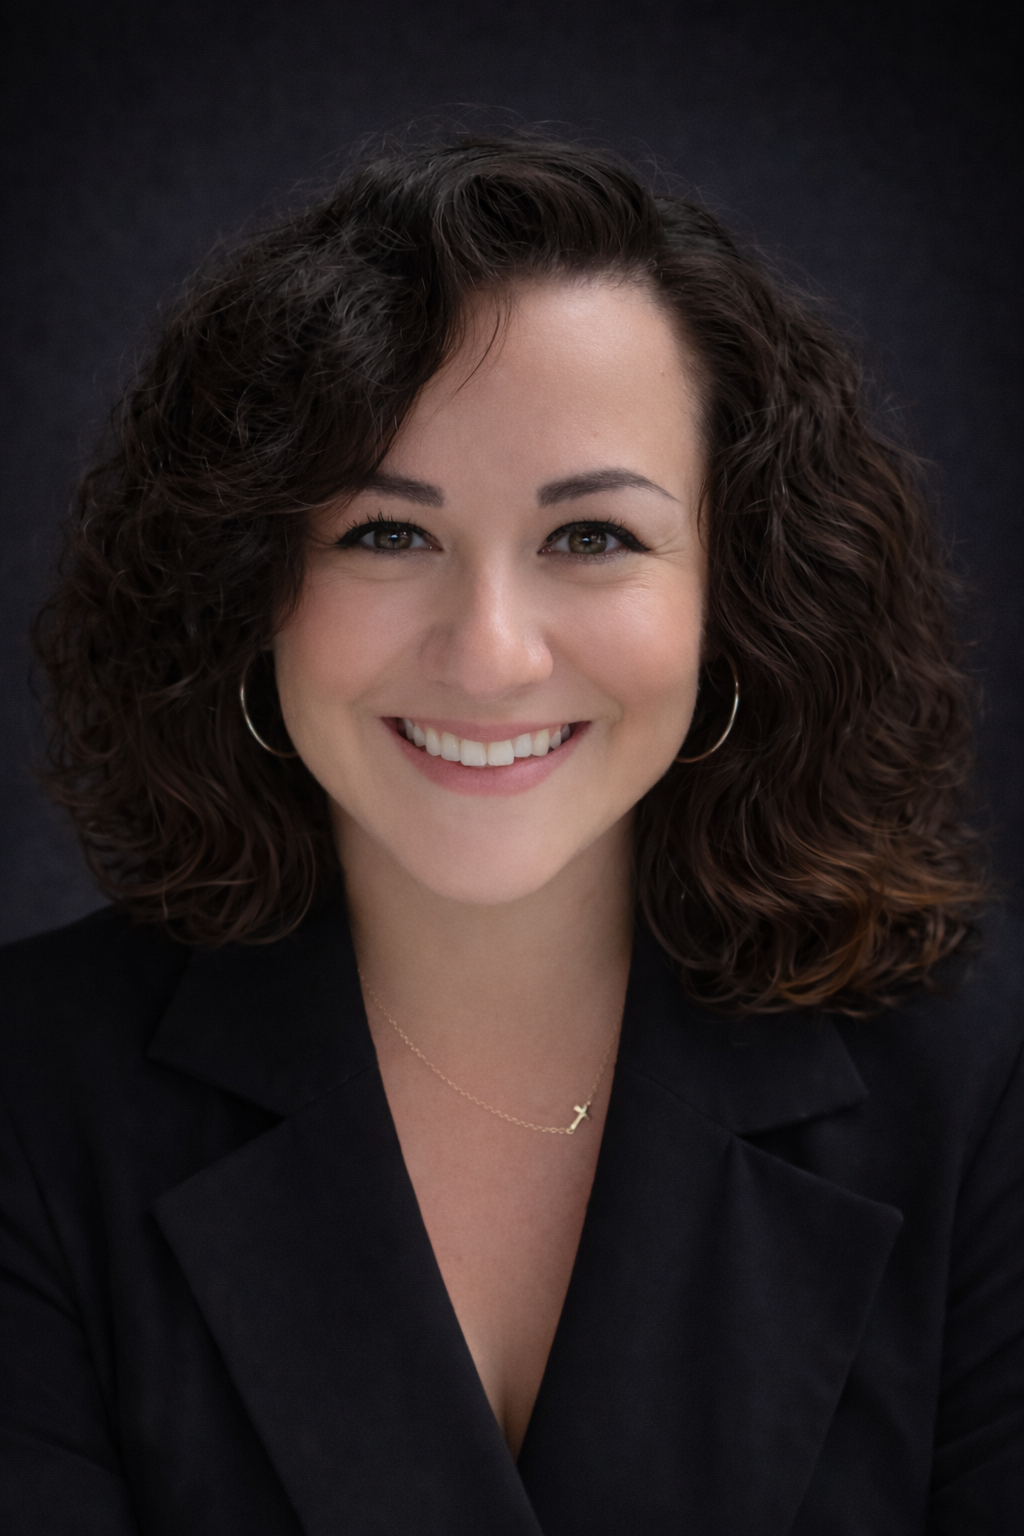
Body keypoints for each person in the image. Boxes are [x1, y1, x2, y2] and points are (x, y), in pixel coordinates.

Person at [0, 132, 1019, 1536]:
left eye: (592, 537)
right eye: (385, 535)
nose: (490, 657)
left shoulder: (984, 1092)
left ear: (742, 594)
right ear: (247, 584)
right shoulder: (27, 1096)